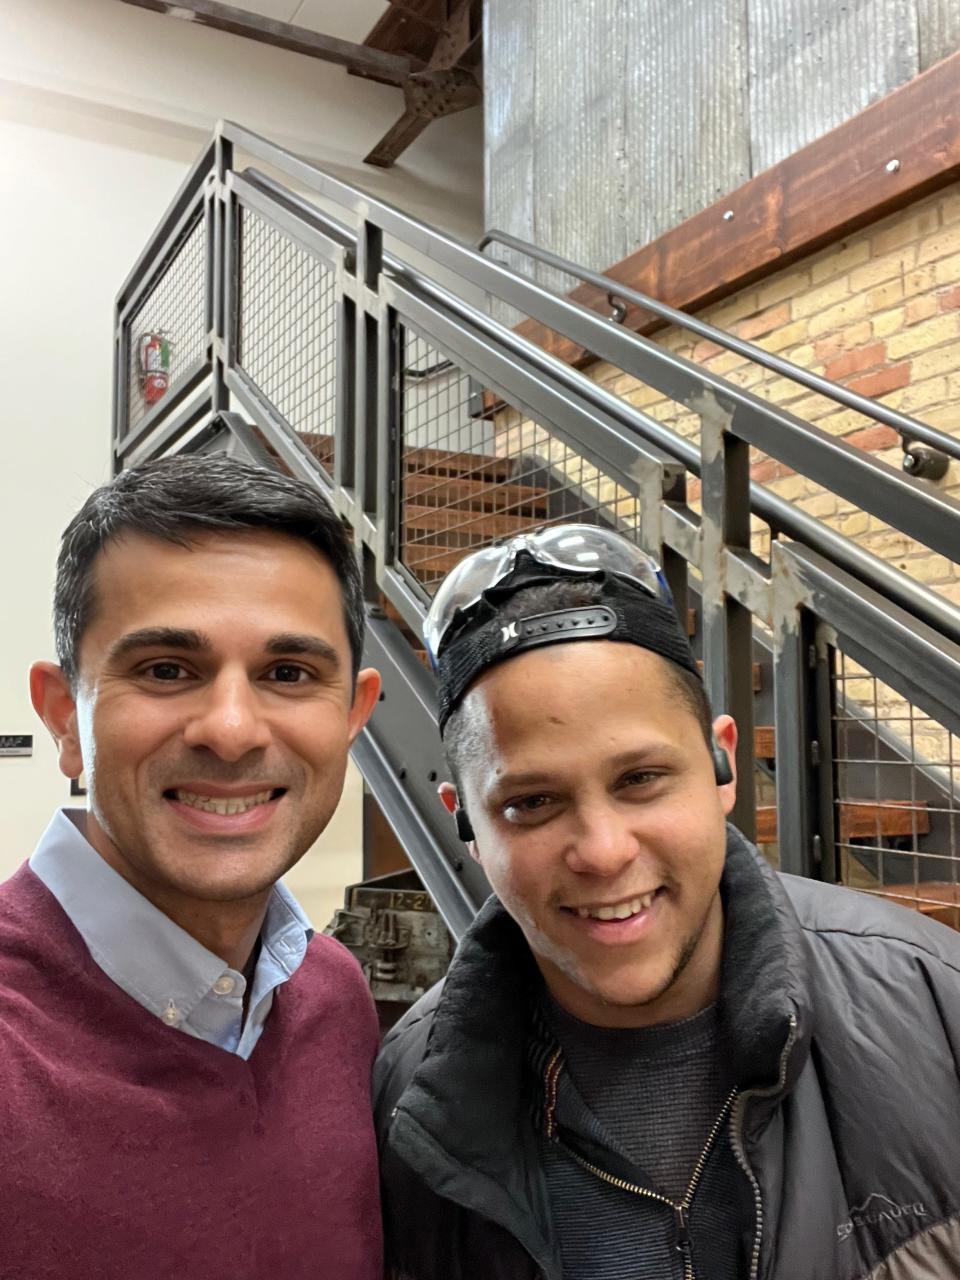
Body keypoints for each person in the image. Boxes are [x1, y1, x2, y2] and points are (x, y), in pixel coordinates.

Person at [374, 524, 960, 1280]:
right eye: (532, 802)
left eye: (641, 779)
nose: (604, 850)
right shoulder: (409, 1102)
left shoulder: (936, 1007)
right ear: (469, 828)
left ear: (722, 767)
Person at [4, 454, 383, 1279]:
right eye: (167, 670)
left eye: (288, 674)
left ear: (352, 717)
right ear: (66, 716)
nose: (234, 730)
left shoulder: (335, 999)